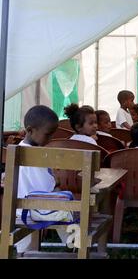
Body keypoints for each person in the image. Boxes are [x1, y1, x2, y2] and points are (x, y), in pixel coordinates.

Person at [13, 105, 63, 253]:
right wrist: (56, 181)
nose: (51, 138)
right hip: (37, 209)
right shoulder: (37, 155)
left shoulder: (18, 149)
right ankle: (76, 244)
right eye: (48, 134)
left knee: (23, 248)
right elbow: (46, 187)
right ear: (29, 130)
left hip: (19, 210)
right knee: (69, 209)